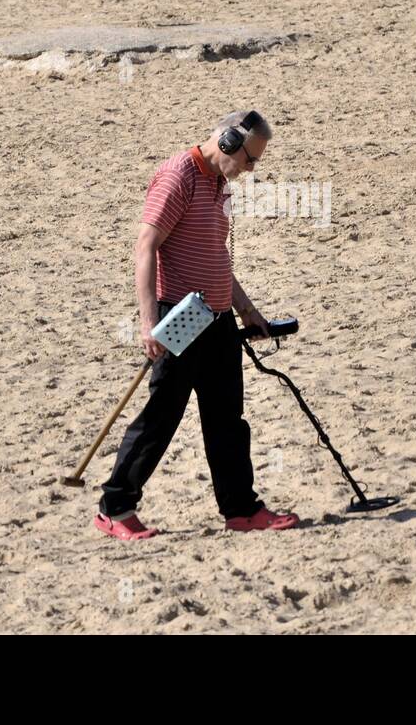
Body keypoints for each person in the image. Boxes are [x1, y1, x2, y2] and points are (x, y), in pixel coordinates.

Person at [94, 110, 299, 540]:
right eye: (248, 159)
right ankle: (115, 507)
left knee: (227, 419)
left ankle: (241, 509)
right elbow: (145, 247)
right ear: (226, 142)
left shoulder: (220, 185)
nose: (250, 169)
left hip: (218, 318)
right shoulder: (178, 177)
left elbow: (216, 256)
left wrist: (246, 309)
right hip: (180, 317)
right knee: (161, 417)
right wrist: (149, 322)